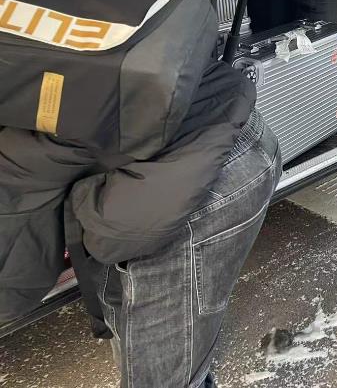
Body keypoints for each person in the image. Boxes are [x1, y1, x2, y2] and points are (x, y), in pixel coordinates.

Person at [0, 59, 280, 387]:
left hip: (189, 196)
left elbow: (14, 287)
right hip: (217, 131)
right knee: (130, 321)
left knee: (159, 376)